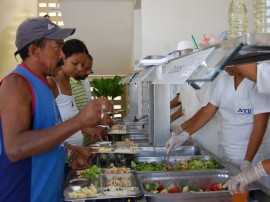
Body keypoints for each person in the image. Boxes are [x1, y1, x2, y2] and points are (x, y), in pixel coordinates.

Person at [0, 17, 114, 202]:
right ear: (34, 50)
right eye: (57, 47)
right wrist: (79, 120)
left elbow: (46, 134)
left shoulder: (44, 85)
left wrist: (71, 153)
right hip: (25, 195)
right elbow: (15, 147)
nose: (62, 55)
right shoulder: (16, 84)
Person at [166, 64, 270, 170]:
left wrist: (247, 162)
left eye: (229, 65)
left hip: (252, 156)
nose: (225, 68)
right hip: (225, 151)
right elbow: (207, 111)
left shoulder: (257, 83)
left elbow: (260, 125)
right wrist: (184, 134)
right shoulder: (224, 79)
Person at [70, 53, 108, 146]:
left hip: (86, 139)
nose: (88, 72)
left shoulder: (85, 83)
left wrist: (97, 123)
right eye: (86, 68)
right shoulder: (67, 84)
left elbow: (87, 109)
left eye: (90, 70)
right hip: (72, 142)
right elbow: (67, 119)